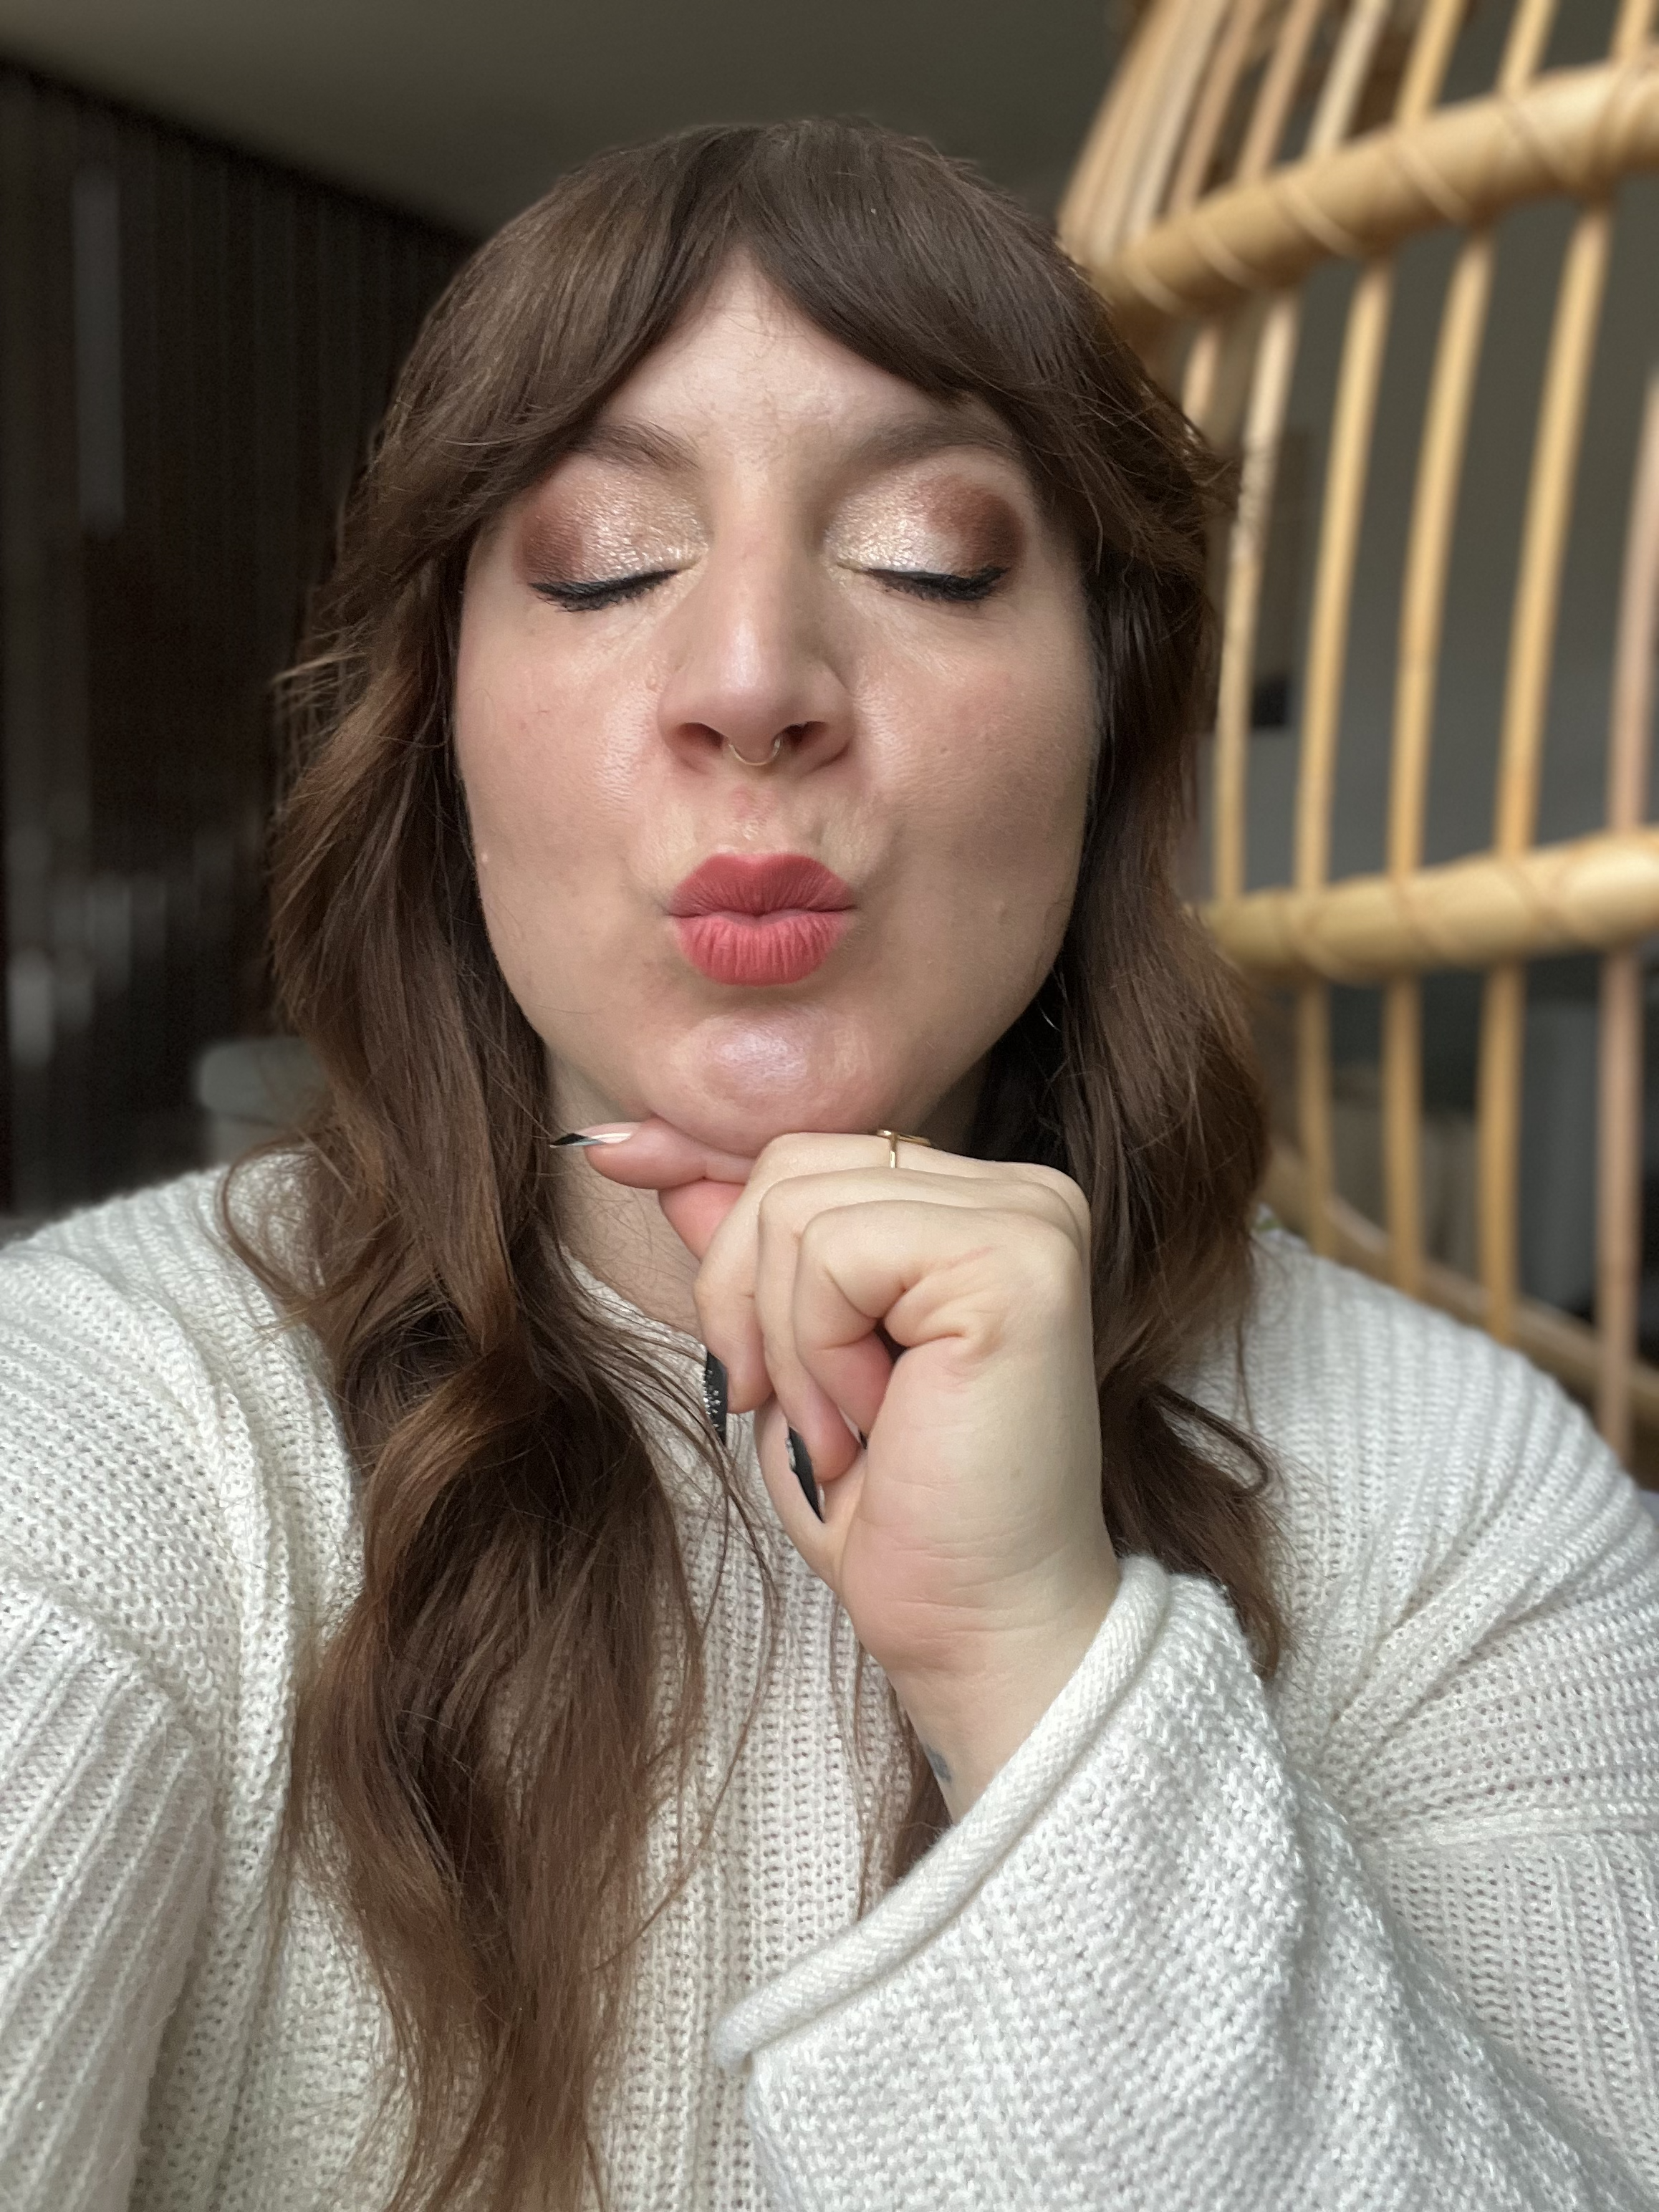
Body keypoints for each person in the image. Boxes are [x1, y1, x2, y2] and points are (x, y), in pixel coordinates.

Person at [1, 117, 1655, 2212]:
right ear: (439, 721)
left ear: (1110, 717)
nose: (752, 683)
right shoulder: (93, 1434)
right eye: (604, 558)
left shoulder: (1467, 1511)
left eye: (931, 558)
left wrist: (1036, 1666)